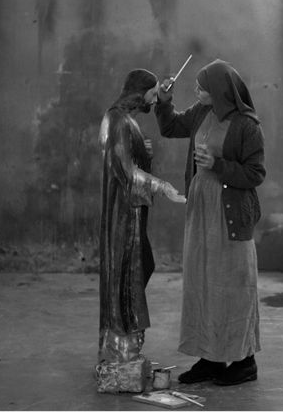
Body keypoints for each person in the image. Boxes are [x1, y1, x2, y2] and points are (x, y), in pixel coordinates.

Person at [154, 59, 265, 386]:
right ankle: (211, 357)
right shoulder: (202, 112)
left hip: (230, 216)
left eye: (202, 86)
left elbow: (255, 174)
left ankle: (244, 362)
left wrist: (218, 164)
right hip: (202, 212)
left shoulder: (247, 126)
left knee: (233, 287)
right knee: (203, 282)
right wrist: (164, 100)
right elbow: (170, 127)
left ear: (219, 90)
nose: (196, 90)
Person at [97, 68, 185, 372]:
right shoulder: (119, 120)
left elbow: (131, 161)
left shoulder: (124, 120)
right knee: (129, 273)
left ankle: (125, 344)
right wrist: (164, 187)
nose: (153, 100)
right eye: (151, 93)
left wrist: (144, 152)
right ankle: (123, 347)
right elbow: (125, 171)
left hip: (131, 210)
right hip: (124, 213)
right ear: (139, 92)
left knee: (138, 268)